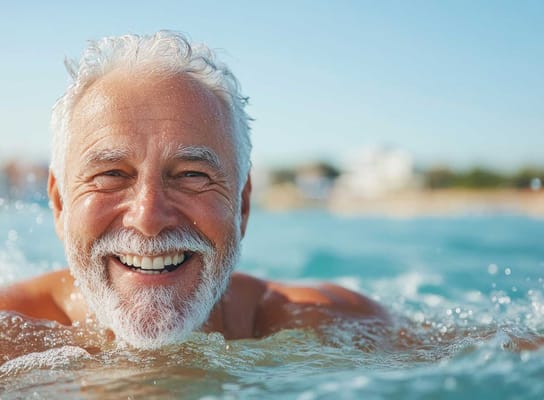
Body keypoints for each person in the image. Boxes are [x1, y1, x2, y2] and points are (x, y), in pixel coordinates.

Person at [0, 31, 389, 349]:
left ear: (243, 203)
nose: (149, 219)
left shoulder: (337, 328)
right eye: (112, 174)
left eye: (190, 175)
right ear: (59, 205)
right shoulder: (12, 339)